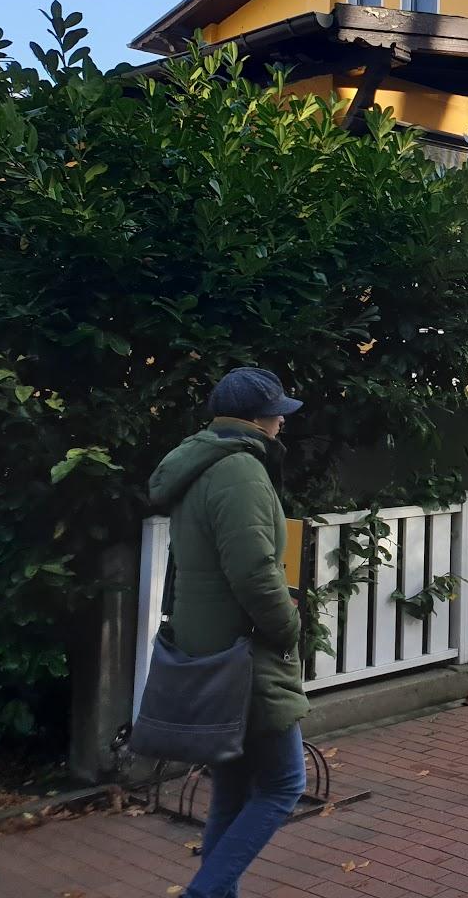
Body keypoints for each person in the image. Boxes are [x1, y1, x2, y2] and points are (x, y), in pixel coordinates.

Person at [146, 367, 309, 898]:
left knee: (234, 787)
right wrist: (287, 629)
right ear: (259, 420)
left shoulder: (200, 463)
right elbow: (255, 571)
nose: (283, 421)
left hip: (211, 646)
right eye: (278, 412)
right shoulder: (240, 470)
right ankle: (204, 893)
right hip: (246, 652)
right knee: (285, 783)